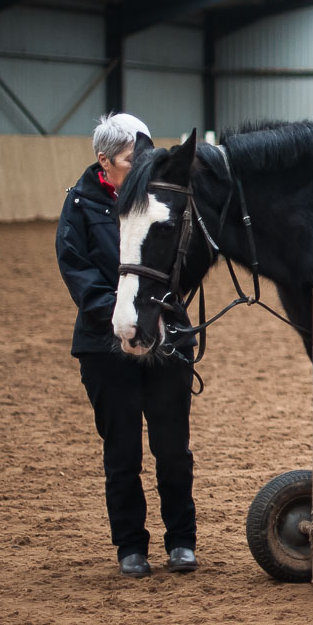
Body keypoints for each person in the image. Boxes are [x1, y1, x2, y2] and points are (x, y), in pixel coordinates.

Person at [56, 113, 199, 578]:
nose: (140, 166)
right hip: (105, 345)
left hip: (165, 337)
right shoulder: (79, 205)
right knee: (122, 454)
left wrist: (159, 314)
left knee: (173, 449)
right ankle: (131, 547)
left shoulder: (158, 196)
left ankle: (181, 540)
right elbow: (76, 270)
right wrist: (123, 316)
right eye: (128, 159)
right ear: (104, 161)